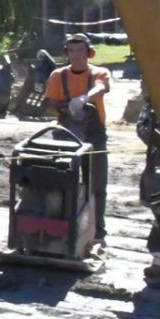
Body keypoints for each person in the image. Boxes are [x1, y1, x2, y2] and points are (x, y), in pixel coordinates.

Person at [44, 31, 112, 244]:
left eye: (80, 50)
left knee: (97, 185)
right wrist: (66, 108)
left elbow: (102, 87)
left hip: (95, 135)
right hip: (66, 135)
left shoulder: (99, 73)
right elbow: (51, 104)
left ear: (89, 52)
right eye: (71, 50)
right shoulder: (57, 76)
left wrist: (84, 98)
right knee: (64, 181)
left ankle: (97, 230)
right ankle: (63, 224)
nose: (75, 55)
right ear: (66, 53)